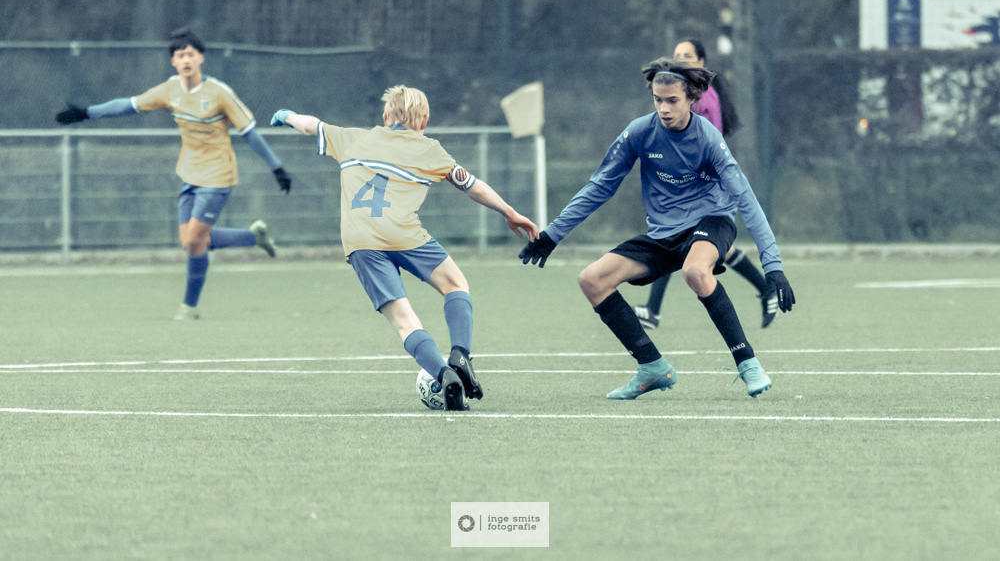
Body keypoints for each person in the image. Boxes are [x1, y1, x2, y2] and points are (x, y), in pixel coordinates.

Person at [518, 58, 795, 399]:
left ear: (692, 98)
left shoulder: (708, 139)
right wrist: (552, 235)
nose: (664, 108)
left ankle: (748, 363)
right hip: (663, 233)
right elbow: (600, 186)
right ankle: (651, 367)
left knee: (695, 271)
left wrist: (773, 266)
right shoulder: (640, 132)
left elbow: (746, 200)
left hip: (711, 221)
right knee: (592, 279)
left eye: (672, 100)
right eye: (658, 99)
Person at [270, 85, 538, 411]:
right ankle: (460, 355)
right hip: (406, 235)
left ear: (385, 118)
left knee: (404, 320)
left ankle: (444, 375)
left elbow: (310, 126)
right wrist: (509, 212)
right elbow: (472, 186)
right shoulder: (430, 150)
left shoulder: (352, 138)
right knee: (455, 284)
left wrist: (287, 116)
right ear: (424, 121)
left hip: (362, 242)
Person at [55, 29, 292, 321]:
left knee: (194, 240)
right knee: (190, 241)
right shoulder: (170, 90)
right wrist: (86, 113)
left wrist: (276, 167)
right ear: (173, 62)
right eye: (180, 55)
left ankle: (188, 308)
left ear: (201, 58)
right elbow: (129, 105)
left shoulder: (219, 93)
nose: (186, 60)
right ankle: (252, 236)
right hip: (188, 176)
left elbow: (250, 133)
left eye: (191, 54)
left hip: (218, 176)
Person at [633, 38, 778, 332]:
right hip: (696, 188)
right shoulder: (681, 94)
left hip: (706, 189)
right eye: (676, 55)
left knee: (673, 239)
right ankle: (766, 290)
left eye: (687, 56)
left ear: (701, 62)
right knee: (703, 246)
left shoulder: (703, 97)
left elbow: (706, 145)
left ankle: (652, 310)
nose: (680, 60)